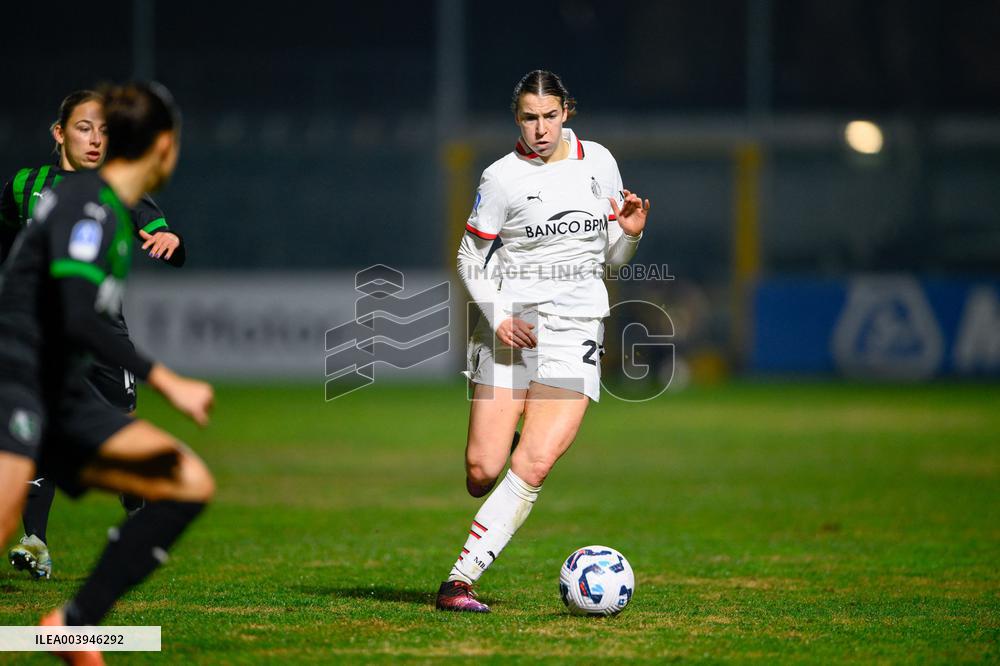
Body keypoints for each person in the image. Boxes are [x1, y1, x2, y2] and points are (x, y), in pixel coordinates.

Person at [0, 82, 213, 664]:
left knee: (185, 480)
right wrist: (166, 378)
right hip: (17, 375)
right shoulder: (82, 207)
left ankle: (70, 626)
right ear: (164, 148)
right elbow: (73, 314)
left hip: (60, 385)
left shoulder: (111, 206)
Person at [435, 70, 651, 613]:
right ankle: (504, 439)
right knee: (482, 471)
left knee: (534, 464)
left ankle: (459, 582)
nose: (540, 128)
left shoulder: (599, 163)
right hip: (512, 327)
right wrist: (498, 313)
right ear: (517, 118)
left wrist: (630, 234)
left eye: (549, 116)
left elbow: (609, 260)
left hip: (577, 325)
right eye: (529, 117)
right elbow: (468, 258)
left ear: (566, 112)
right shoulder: (500, 178)